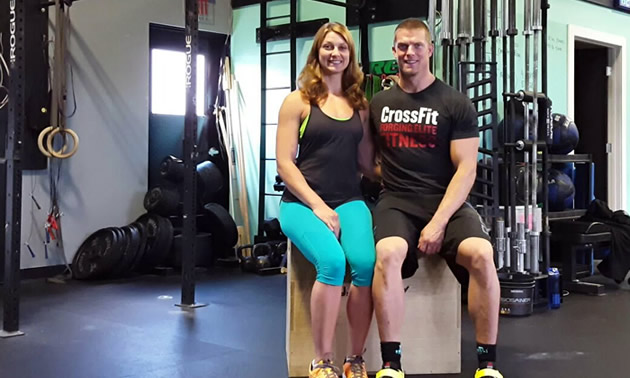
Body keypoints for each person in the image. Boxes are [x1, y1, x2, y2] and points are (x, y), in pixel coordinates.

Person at [369, 18, 503, 378]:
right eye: (402, 46)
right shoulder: (379, 103)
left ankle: (487, 363)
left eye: (416, 45)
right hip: (397, 200)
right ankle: (391, 363)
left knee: (482, 254)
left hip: (447, 201)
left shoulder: (455, 103)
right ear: (394, 51)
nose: (409, 53)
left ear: (430, 49)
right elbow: (366, 162)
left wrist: (438, 223)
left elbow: (466, 170)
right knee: (387, 253)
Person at [276, 22, 376, 378]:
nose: (335, 54)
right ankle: (322, 361)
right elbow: (285, 162)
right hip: (301, 204)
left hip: (349, 199)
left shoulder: (358, 105)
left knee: (365, 264)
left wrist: (417, 179)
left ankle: (356, 359)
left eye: (342, 48)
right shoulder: (298, 101)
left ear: (351, 56)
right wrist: (318, 206)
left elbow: (366, 163)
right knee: (333, 263)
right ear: (317, 52)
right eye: (328, 47)